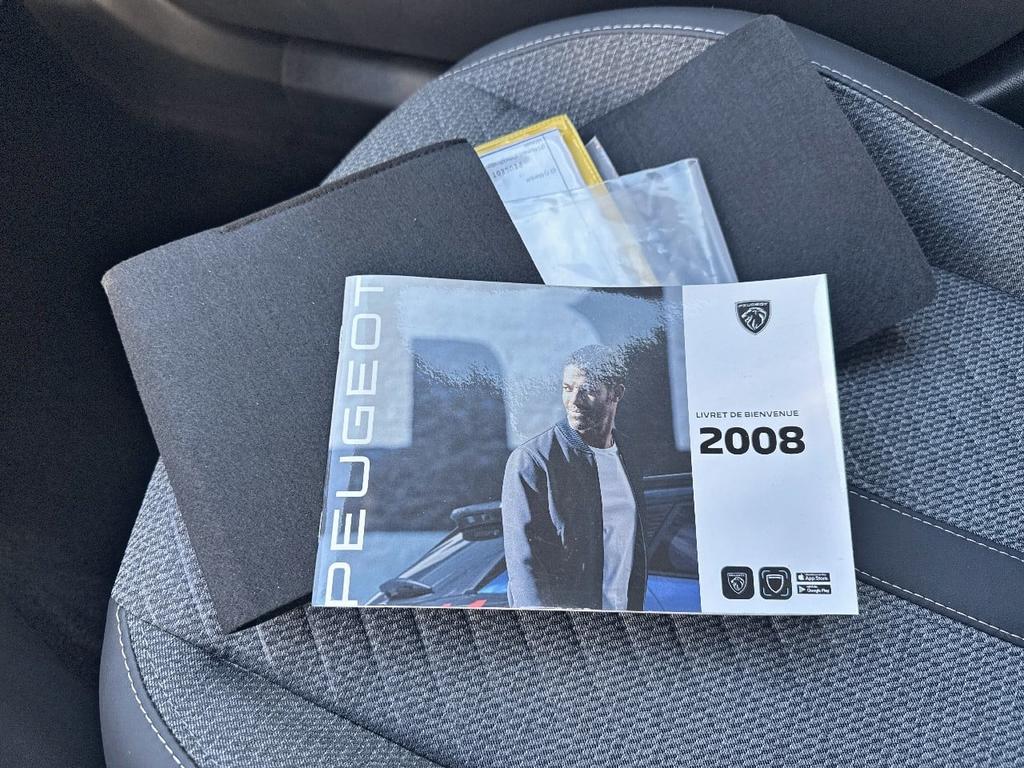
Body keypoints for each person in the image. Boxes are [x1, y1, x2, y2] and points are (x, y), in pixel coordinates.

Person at [501, 344, 647, 610]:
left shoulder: (629, 455)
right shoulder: (533, 461)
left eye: (587, 390)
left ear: (616, 393)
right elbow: (525, 569)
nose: (574, 401)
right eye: (567, 389)